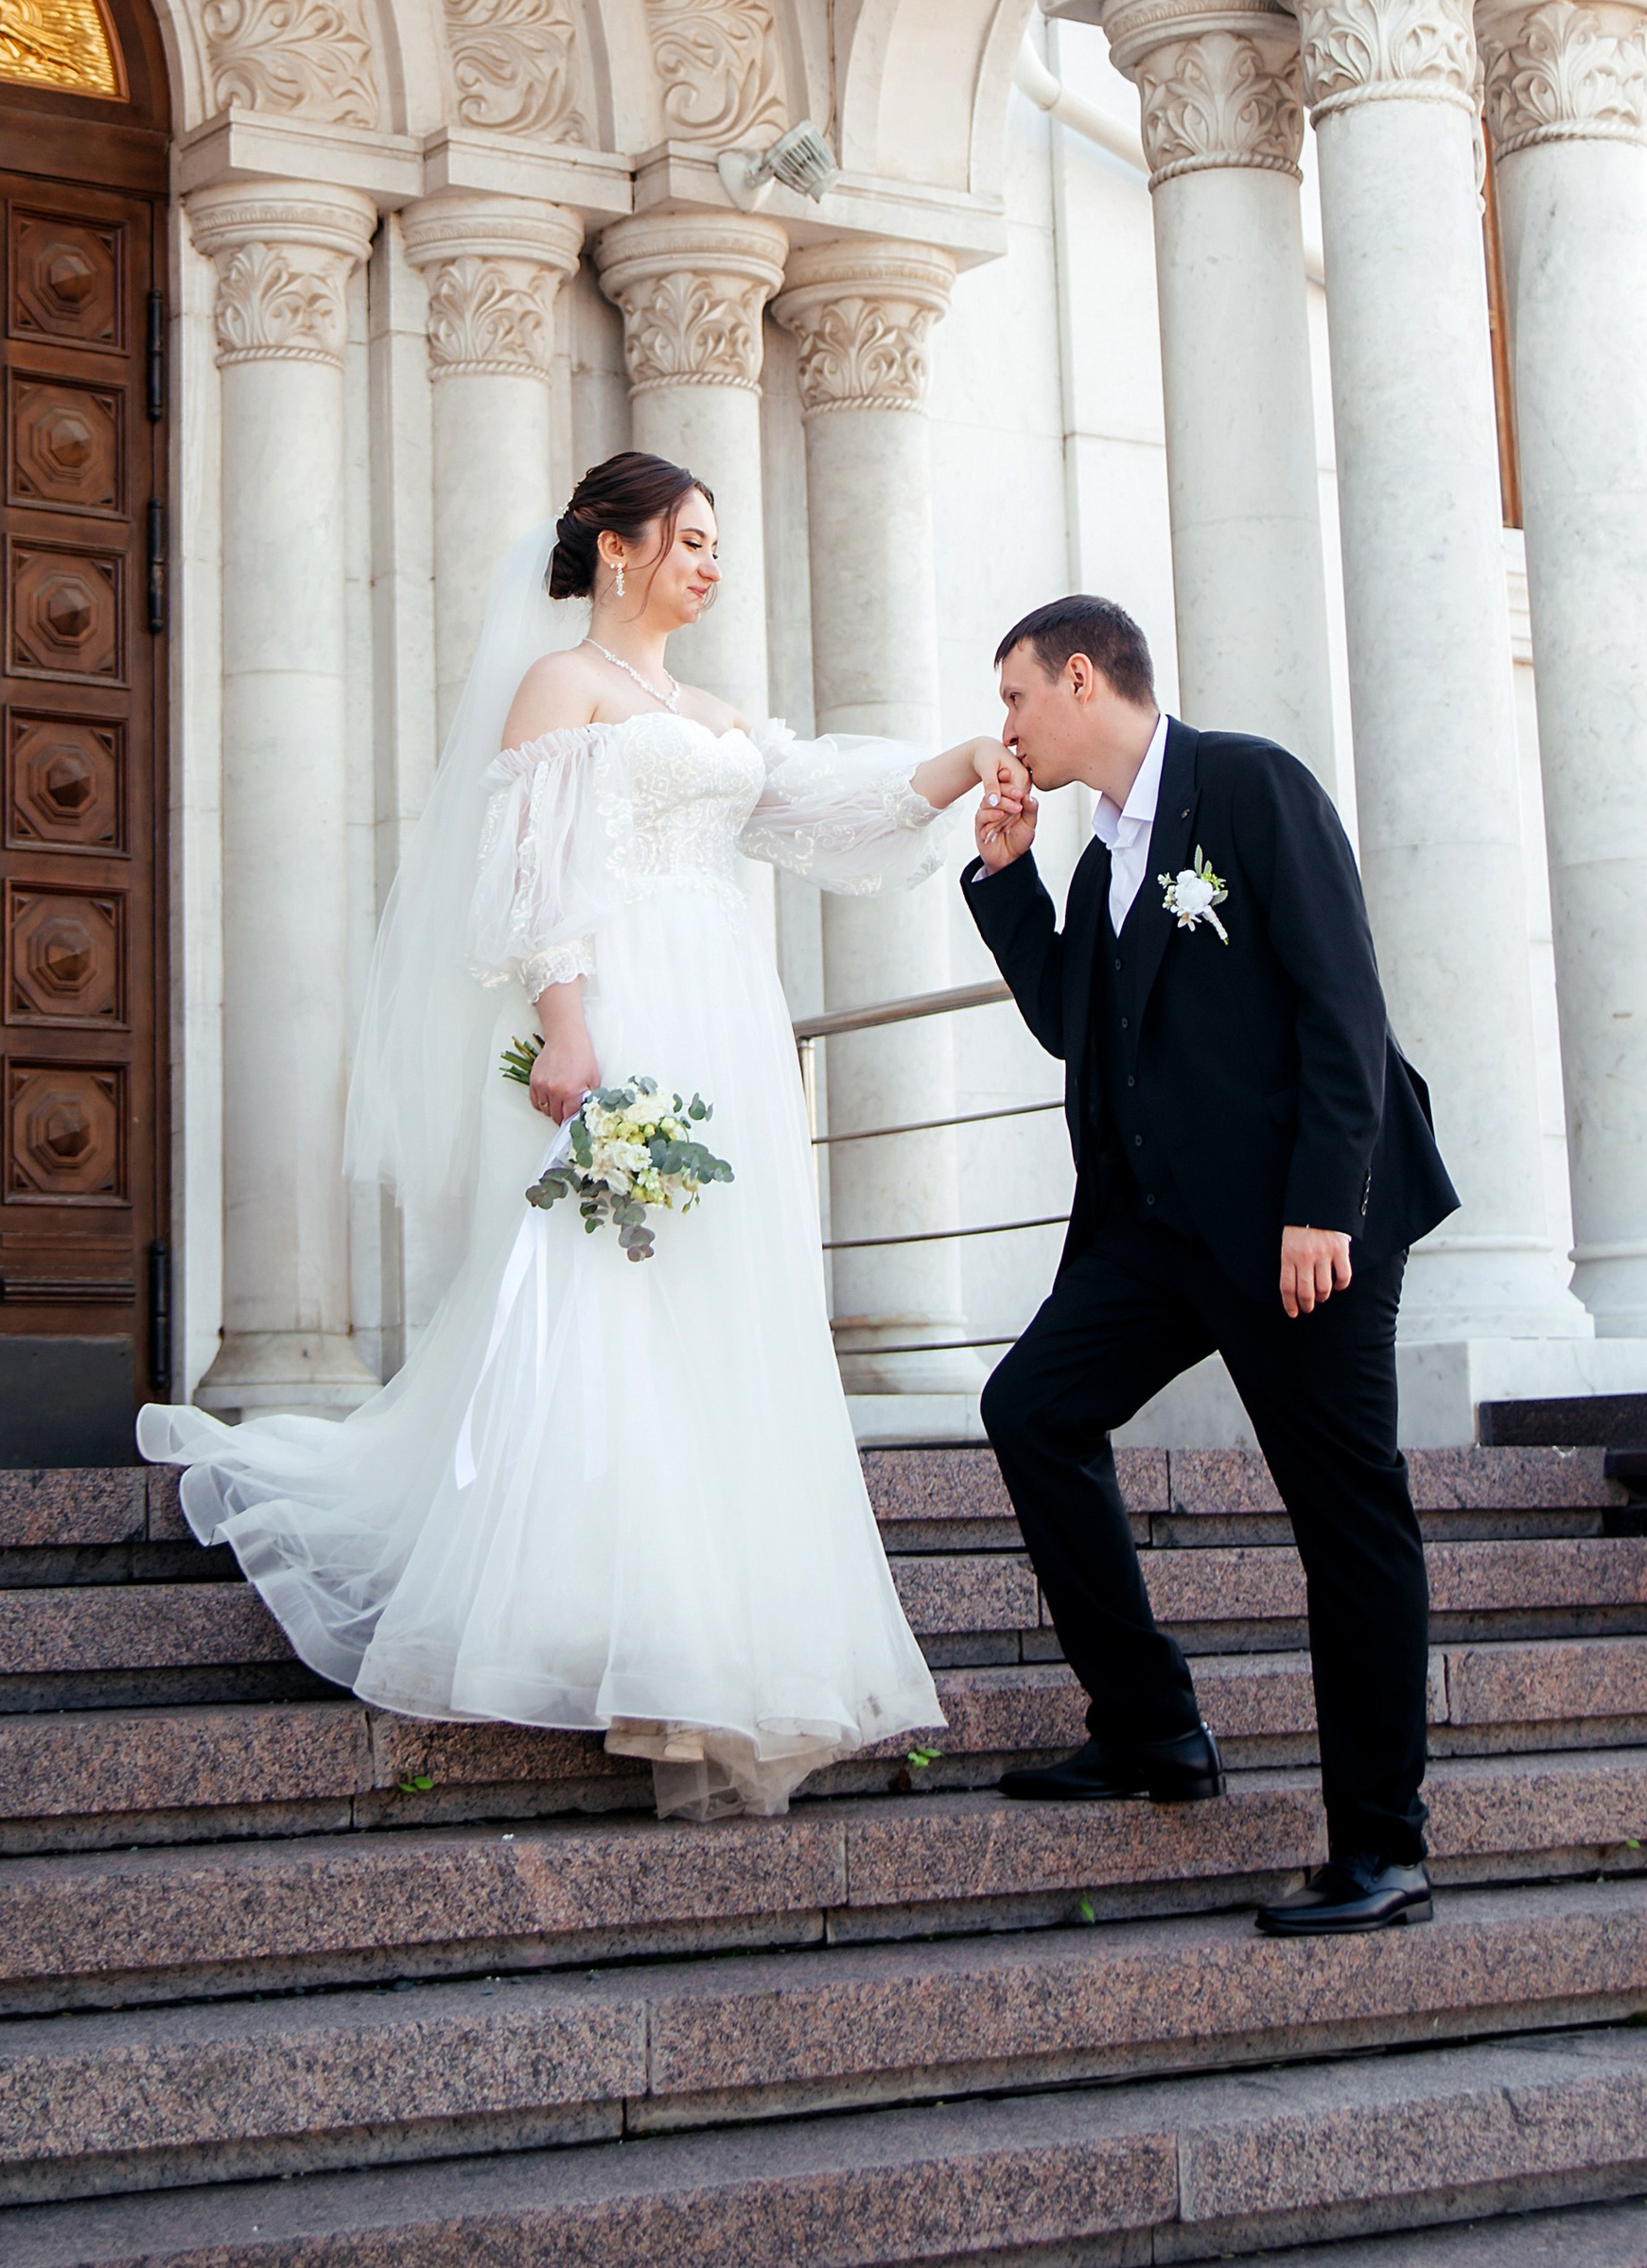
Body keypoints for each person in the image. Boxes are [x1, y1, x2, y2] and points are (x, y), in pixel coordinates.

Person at [141, 453, 1023, 1820]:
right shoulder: (561, 688)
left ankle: (708, 1633)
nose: (710, 564)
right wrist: (565, 1018)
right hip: (621, 1014)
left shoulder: (712, 712)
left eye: (718, 543)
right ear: (616, 549)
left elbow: (826, 813)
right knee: (608, 1297)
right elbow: (526, 869)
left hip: (724, 1019)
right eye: (690, 539)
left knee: (717, 1308)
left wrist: (966, 762)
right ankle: (610, 1631)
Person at [962, 593, 1455, 1936]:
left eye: (1013, 699)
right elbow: (1080, 1027)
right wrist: (1007, 879)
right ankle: (1150, 1728)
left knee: (1345, 1517)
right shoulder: (1097, 857)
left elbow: (1343, 1006)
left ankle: (1382, 1847)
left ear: (1079, 678)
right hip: (1163, 1231)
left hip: (1303, 1228)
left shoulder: (1251, 788)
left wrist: (1324, 1207)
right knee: (1032, 1408)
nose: (1002, 729)